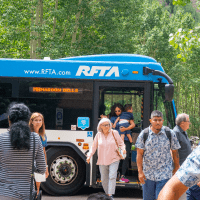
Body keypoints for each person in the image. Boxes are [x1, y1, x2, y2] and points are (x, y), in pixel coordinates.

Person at [0, 103, 46, 200]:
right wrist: (28, 166)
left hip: (3, 193)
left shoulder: (1, 138)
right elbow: (42, 169)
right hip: (26, 194)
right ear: (28, 120)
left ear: (9, 119)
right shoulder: (35, 138)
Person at [135, 110, 181, 200]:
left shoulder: (170, 133)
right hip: (148, 176)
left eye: (160, 120)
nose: (157, 122)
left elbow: (175, 152)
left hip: (165, 175)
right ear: (150, 121)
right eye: (155, 120)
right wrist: (140, 172)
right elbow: (139, 154)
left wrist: (176, 168)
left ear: (163, 121)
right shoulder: (144, 134)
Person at [86, 118, 126, 200]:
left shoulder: (114, 133)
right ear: (100, 126)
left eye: (108, 124)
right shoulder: (98, 135)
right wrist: (89, 155)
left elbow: (121, 144)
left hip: (114, 158)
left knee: (112, 176)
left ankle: (110, 195)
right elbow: (93, 147)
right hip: (102, 160)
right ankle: (108, 196)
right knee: (104, 179)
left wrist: (123, 149)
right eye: (105, 125)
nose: (107, 126)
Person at [110, 103, 135, 183]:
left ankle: (123, 175)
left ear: (122, 110)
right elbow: (111, 127)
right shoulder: (113, 118)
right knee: (116, 157)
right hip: (116, 140)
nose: (117, 112)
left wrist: (125, 129)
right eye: (116, 111)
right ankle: (115, 174)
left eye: (119, 111)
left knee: (125, 157)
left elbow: (132, 125)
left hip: (126, 140)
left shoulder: (125, 116)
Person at [29, 112, 49, 196]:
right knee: (29, 185)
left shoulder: (42, 135)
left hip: (39, 162)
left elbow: (44, 152)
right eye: (36, 120)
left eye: (40, 120)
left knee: (38, 186)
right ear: (32, 121)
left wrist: (46, 167)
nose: (38, 122)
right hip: (28, 162)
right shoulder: (28, 133)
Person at [173, 113, 192, 200]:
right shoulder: (176, 132)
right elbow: (173, 151)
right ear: (182, 123)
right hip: (179, 169)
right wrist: (177, 166)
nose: (189, 123)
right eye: (188, 121)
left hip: (185, 169)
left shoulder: (183, 132)